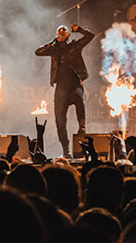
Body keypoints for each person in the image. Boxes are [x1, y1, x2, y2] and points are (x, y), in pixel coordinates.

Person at [34, 23, 96, 156]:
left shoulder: (74, 46)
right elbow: (37, 52)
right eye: (59, 32)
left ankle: (82, 125)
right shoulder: (54, 49)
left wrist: (79, 30)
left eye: (64, 32)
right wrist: (52, 42)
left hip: (75, 84)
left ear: (68, 35)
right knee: (60, 120)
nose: (61, 33)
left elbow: (90, 36)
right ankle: (66, 150)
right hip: (61, 88)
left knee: (78, 98)